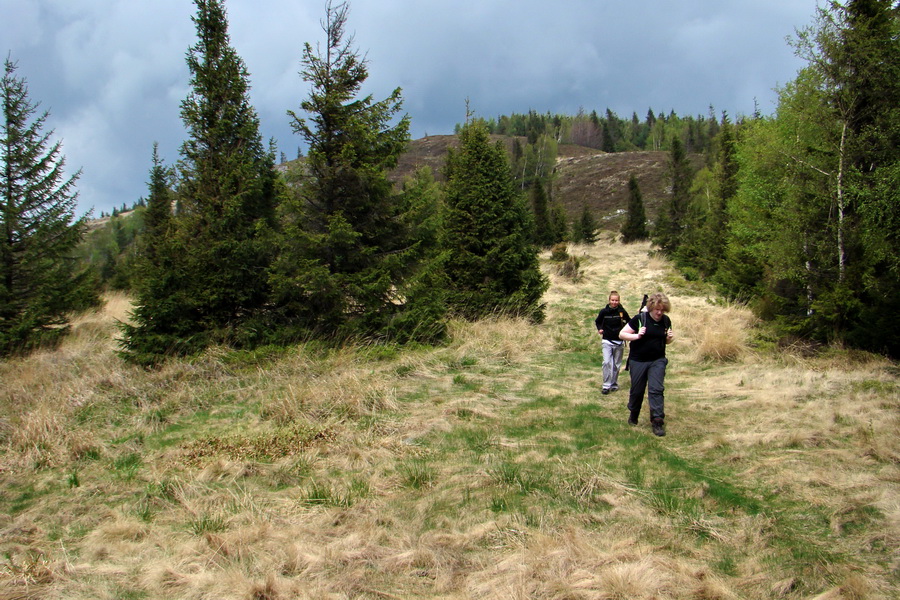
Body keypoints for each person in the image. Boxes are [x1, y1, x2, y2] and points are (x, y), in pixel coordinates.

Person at [618, 292, 675, 436]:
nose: (659, 312)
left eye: (662, 310)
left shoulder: (666, 321)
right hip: (638, 360)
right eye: (657, 309)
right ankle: (634, 413)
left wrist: (669, 338)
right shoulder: (640, 319)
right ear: (651, 307)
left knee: (656, 389)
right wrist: (637, 335)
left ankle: (657, 421)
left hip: (658, 360)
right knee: (637, 390)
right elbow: (622, 334)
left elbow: (665, 341)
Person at [595, 291, 631, 395]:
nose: (614, 302)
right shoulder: (604, 312)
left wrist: (628, 333)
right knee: (606, 362)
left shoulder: (622, 312)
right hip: (607, 341)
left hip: (619, 342)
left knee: (616, 365)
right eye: (612, 300)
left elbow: (630, 322)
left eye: (616, 300)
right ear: (609, 300)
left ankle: (614, 383)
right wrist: (600, 329)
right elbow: (598, 321)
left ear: (619, 301)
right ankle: (606, 385)